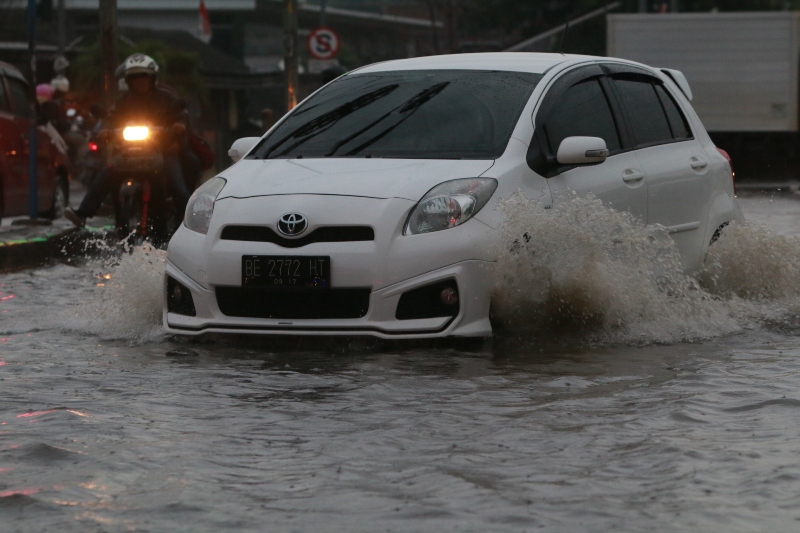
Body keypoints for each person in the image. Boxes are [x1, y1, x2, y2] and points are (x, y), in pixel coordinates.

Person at [65, 54, 193, 228]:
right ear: (128, 81)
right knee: (107, 172)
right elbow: (112, 117)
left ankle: (190, 224)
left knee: (178, 185)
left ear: (152, 78)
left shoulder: (166, 97)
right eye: (134, 77)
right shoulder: (123, 100)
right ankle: (83, 213)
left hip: (161, 150)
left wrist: (179, 124)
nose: (139, 81)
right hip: (129, 150)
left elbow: (181, 115)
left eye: (143, 76)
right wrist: (105, 129)